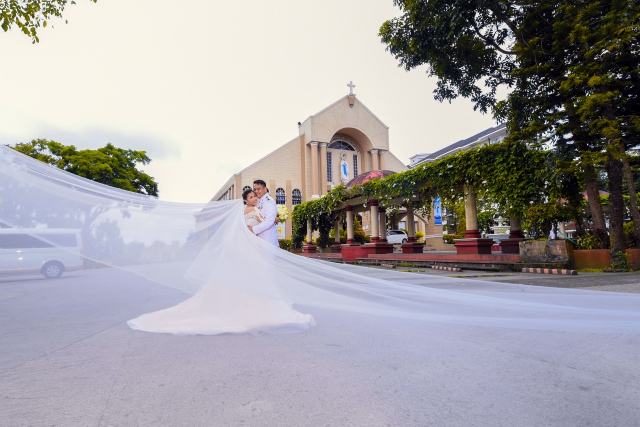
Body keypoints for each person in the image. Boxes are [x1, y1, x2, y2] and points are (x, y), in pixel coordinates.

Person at [126, 188, 316, 335]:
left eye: (255, 197)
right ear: (245, 200)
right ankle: (254, 308)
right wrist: (276, 218)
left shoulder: (245, 211)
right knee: (254, 276)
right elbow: (264, 222)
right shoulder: (253, 211)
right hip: (251, 246)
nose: (255, 199)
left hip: (246, 245)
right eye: (251, 197)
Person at [248, 179, 278, 246]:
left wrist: (253, 229)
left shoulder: (269, 201)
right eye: (255, 189)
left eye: (258, 189)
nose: (256, 191)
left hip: (268, 240)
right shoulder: (259, 201)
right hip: (260, 240)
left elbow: (269, 221)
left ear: (265, 189)